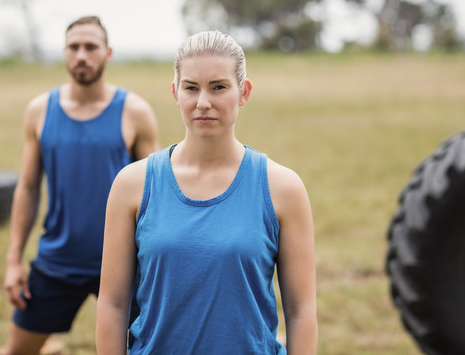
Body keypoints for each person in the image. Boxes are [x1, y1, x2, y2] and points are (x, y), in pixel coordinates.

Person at [96, 30, 317, 354]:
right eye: (191, 88)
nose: (203, 102)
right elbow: (113, 305)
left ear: (244, 91)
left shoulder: (283, 188)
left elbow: (301, 311)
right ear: (175, 92)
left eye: (218, 87)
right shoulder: (132, 185)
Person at [0, 15, 159, 355]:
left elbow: (157, 196)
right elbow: (28, 188)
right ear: (64, 53)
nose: (82, 55)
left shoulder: (135, 112)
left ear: (108, 53)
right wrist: (14, 260)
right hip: (57, 261)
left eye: (91, 47)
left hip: (124, 264)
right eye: (74, 47)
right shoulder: (40, 110)